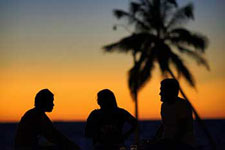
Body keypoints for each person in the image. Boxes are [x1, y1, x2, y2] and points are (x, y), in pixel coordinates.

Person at [15, 89, 80, 150]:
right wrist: (72, 146)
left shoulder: (36, 113)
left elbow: (54, 133)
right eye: (51, 101)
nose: (53, 104)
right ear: (44, 102)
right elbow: (53, 135)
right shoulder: (37, 115)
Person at [150, 78, 195, 150]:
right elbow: (164, 125)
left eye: (162, 90)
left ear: (170, 91)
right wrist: (155, 139)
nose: (160, 93)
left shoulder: (182, 105)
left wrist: (167, 143)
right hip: (167, 142)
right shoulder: (164, 106)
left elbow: (182, 129)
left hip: (183, 144)